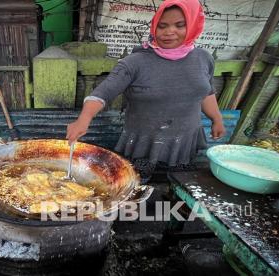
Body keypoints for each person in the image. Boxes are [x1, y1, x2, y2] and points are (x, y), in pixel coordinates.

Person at [66, 0, 226, 183]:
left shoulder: (203, 58)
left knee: (182, 184)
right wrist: (84, 119)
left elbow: (206, 92)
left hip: (184, 141)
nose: (169, 32)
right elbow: (103, 92)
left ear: (193, 26)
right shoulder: (134, 62)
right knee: (133, 184)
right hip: (142, 143)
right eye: (162, 26)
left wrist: (217, 119)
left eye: (180, 25)